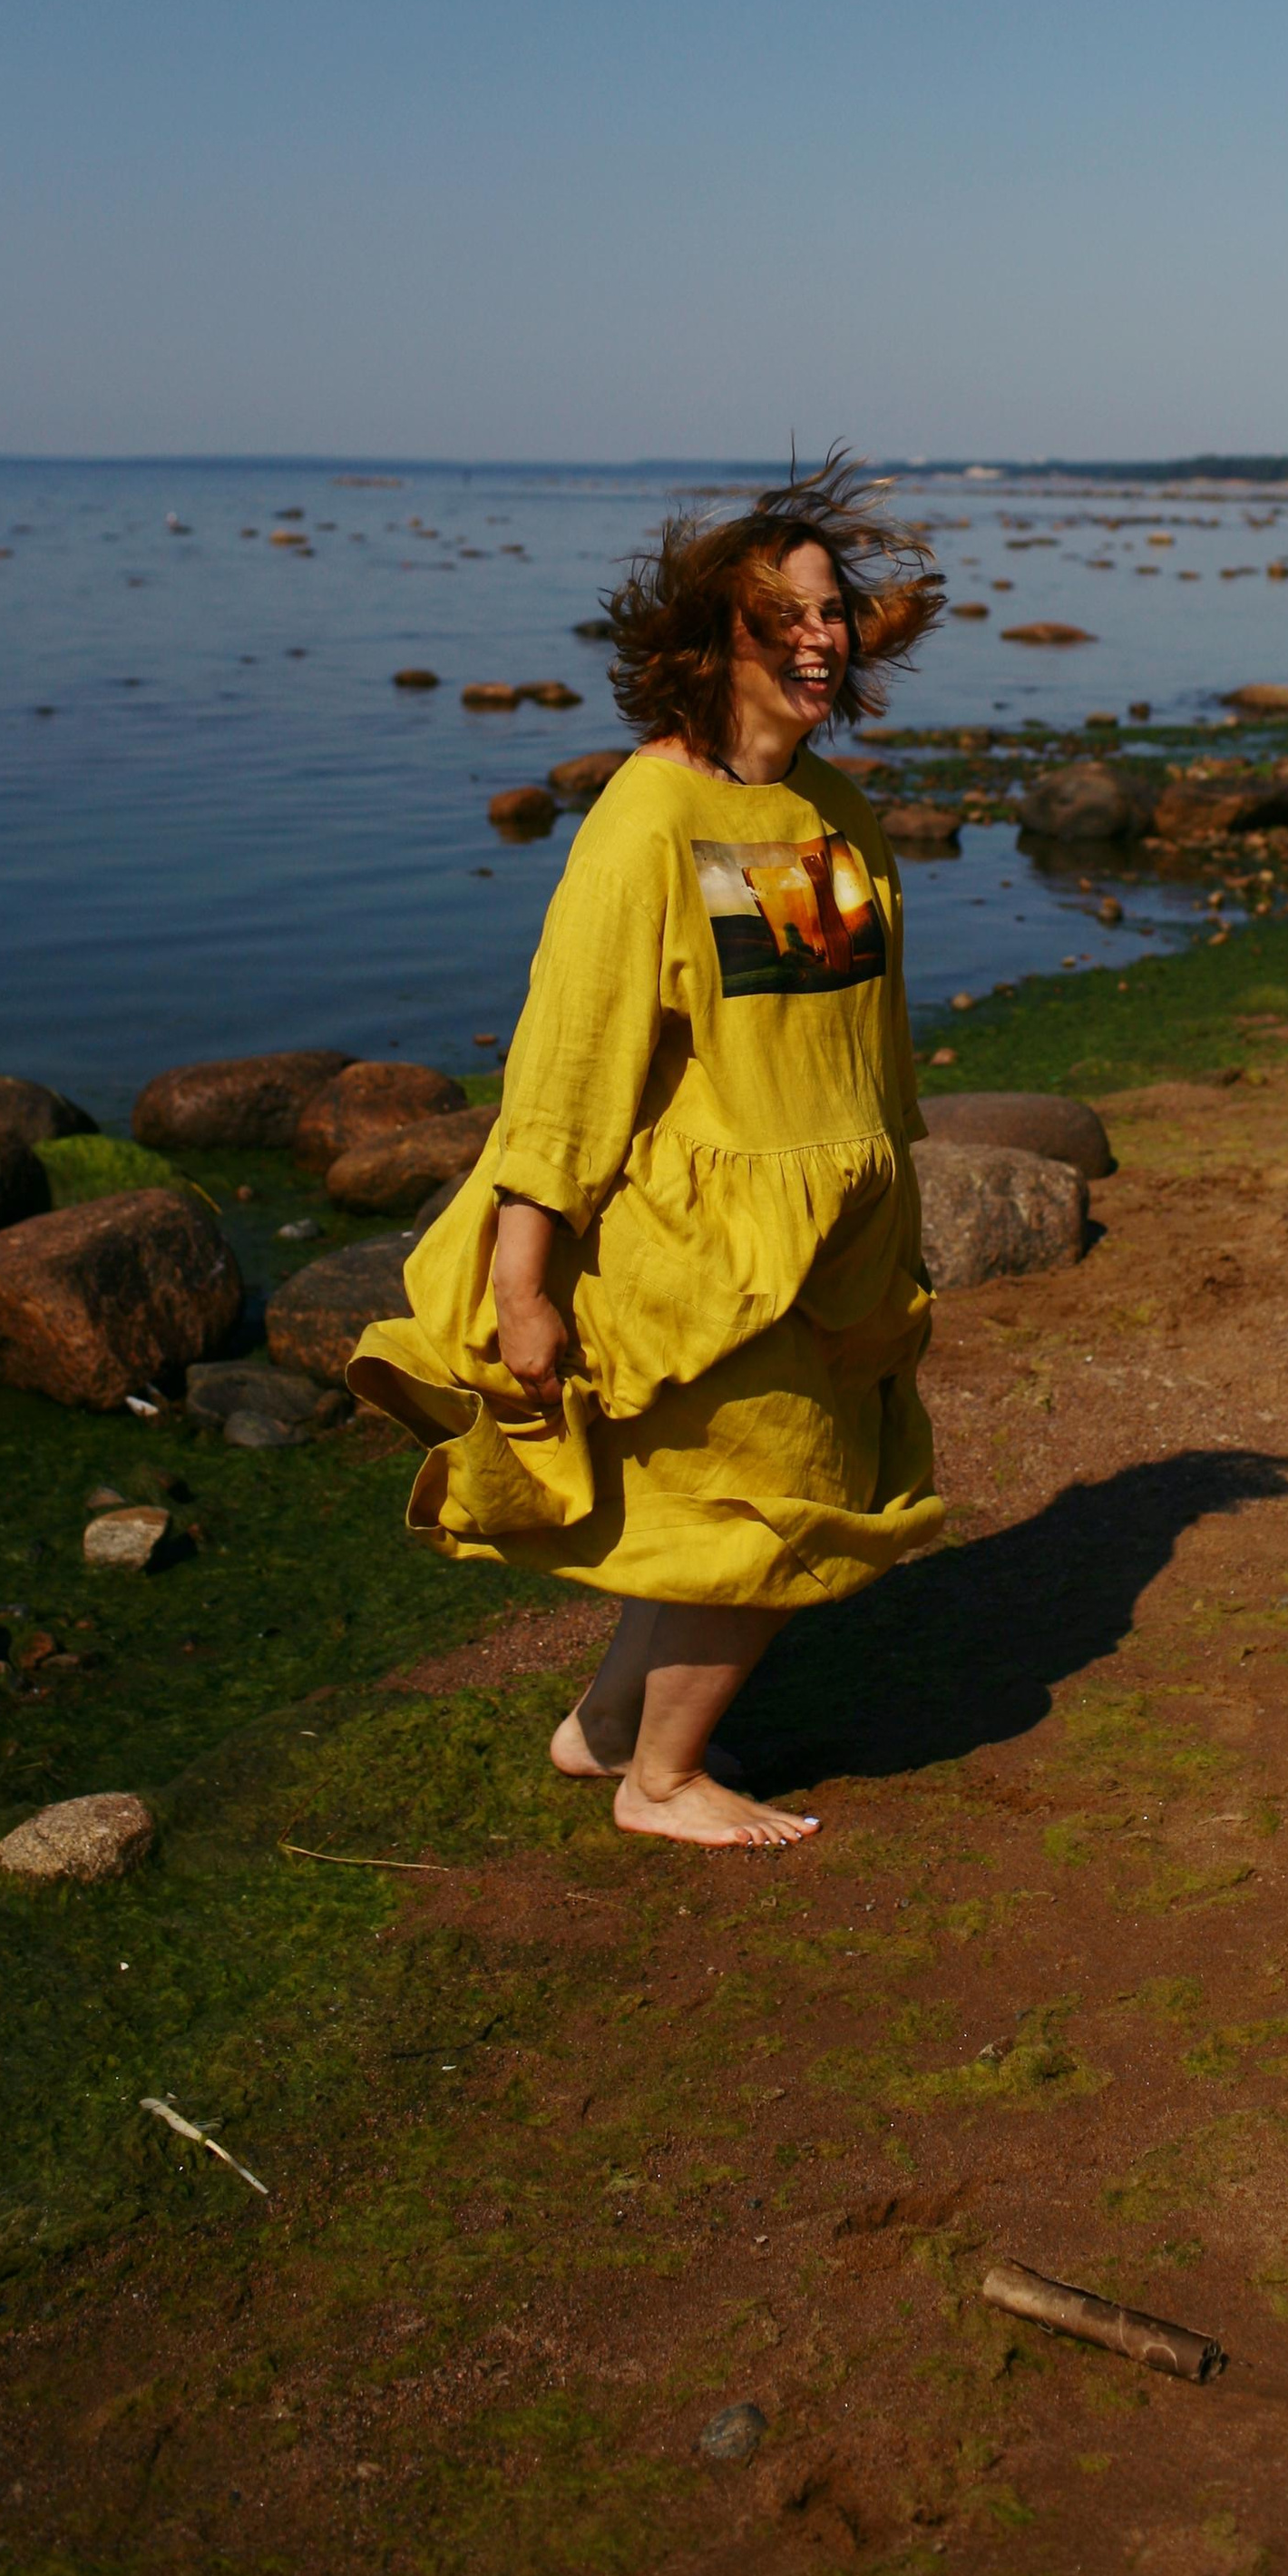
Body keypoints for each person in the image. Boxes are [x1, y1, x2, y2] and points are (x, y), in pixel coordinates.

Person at [348, 455, 947, 1849]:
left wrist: (889, 1203)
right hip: (704, 1245)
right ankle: (662, 1785)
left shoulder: (831, 813)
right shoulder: (645, 824)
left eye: (832, 614)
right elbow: (569, 1064)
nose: (818, 638)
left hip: (834, 1233)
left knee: (737, 1505)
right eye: (778, 618)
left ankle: (608, 1730)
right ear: (704, 644)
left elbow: (856, 1041)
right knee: (771, 1512)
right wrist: (522, 1281)